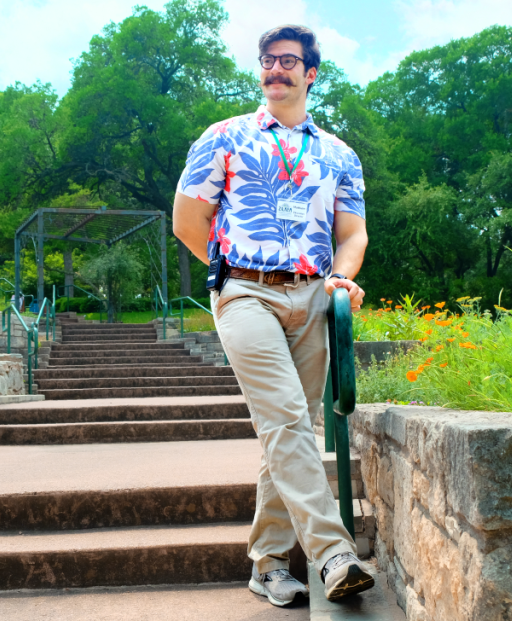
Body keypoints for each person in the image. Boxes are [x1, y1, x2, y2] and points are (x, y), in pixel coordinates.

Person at [172, 24, 373, 606]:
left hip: (313, 296)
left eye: (288, 61)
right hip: (245, 294)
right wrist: (232, 269)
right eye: (267, 60)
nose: (274, 69)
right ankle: (334, 554)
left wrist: (342, 276)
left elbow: (353, 233)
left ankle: (266, 564)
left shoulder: (339, 154)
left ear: (311, 74)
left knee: (290, 430)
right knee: (287, 416)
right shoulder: (224, 137)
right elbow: (188, 220)